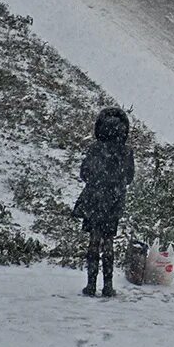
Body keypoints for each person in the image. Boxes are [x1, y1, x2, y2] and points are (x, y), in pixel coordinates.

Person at [73, 107, 135, 297]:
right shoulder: (126, 152)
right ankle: (108, 286)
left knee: (94, 240)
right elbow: (130, 177)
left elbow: (84, 173)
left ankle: (91, 285)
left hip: (95, 199)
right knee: (109, 242)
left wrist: (97, 182)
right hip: (114, 200)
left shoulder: (95, 149)